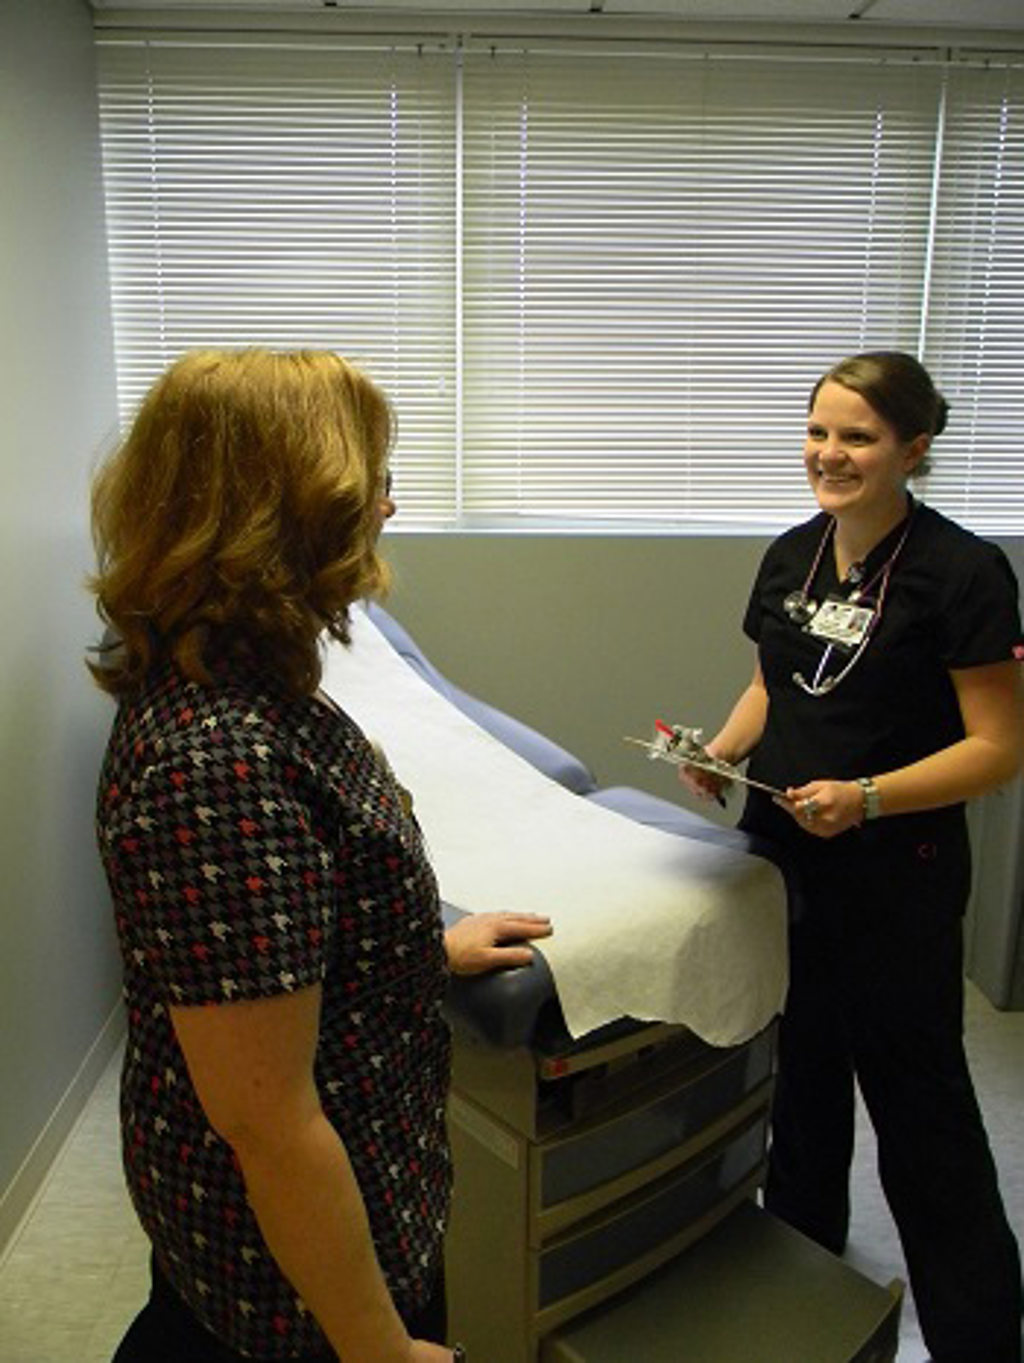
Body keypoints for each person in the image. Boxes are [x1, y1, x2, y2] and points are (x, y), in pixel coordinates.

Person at [87, 347, 551, 1363]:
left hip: (289, 1230)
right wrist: (378, 1347)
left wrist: (423, 948)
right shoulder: (219, 762)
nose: (386, 507)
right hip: (293, 1290)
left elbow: (268, 944)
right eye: (371, 482)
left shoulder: (244, 673)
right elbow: (270, 1124)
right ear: (290, 511)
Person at [679, 351, 1024, 1363]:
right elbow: (772, 687)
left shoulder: (962, 573)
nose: (829, 455)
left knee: (920, 1107)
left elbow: (998, 749)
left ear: (913, 450)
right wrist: (722, 749)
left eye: (858, 438)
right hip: (782, 858)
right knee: (802, 1083)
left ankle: (976, 1329)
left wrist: (867, 798)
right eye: (819, 431)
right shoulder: (791, 555)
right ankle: (802, 1277)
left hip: (894, 876)